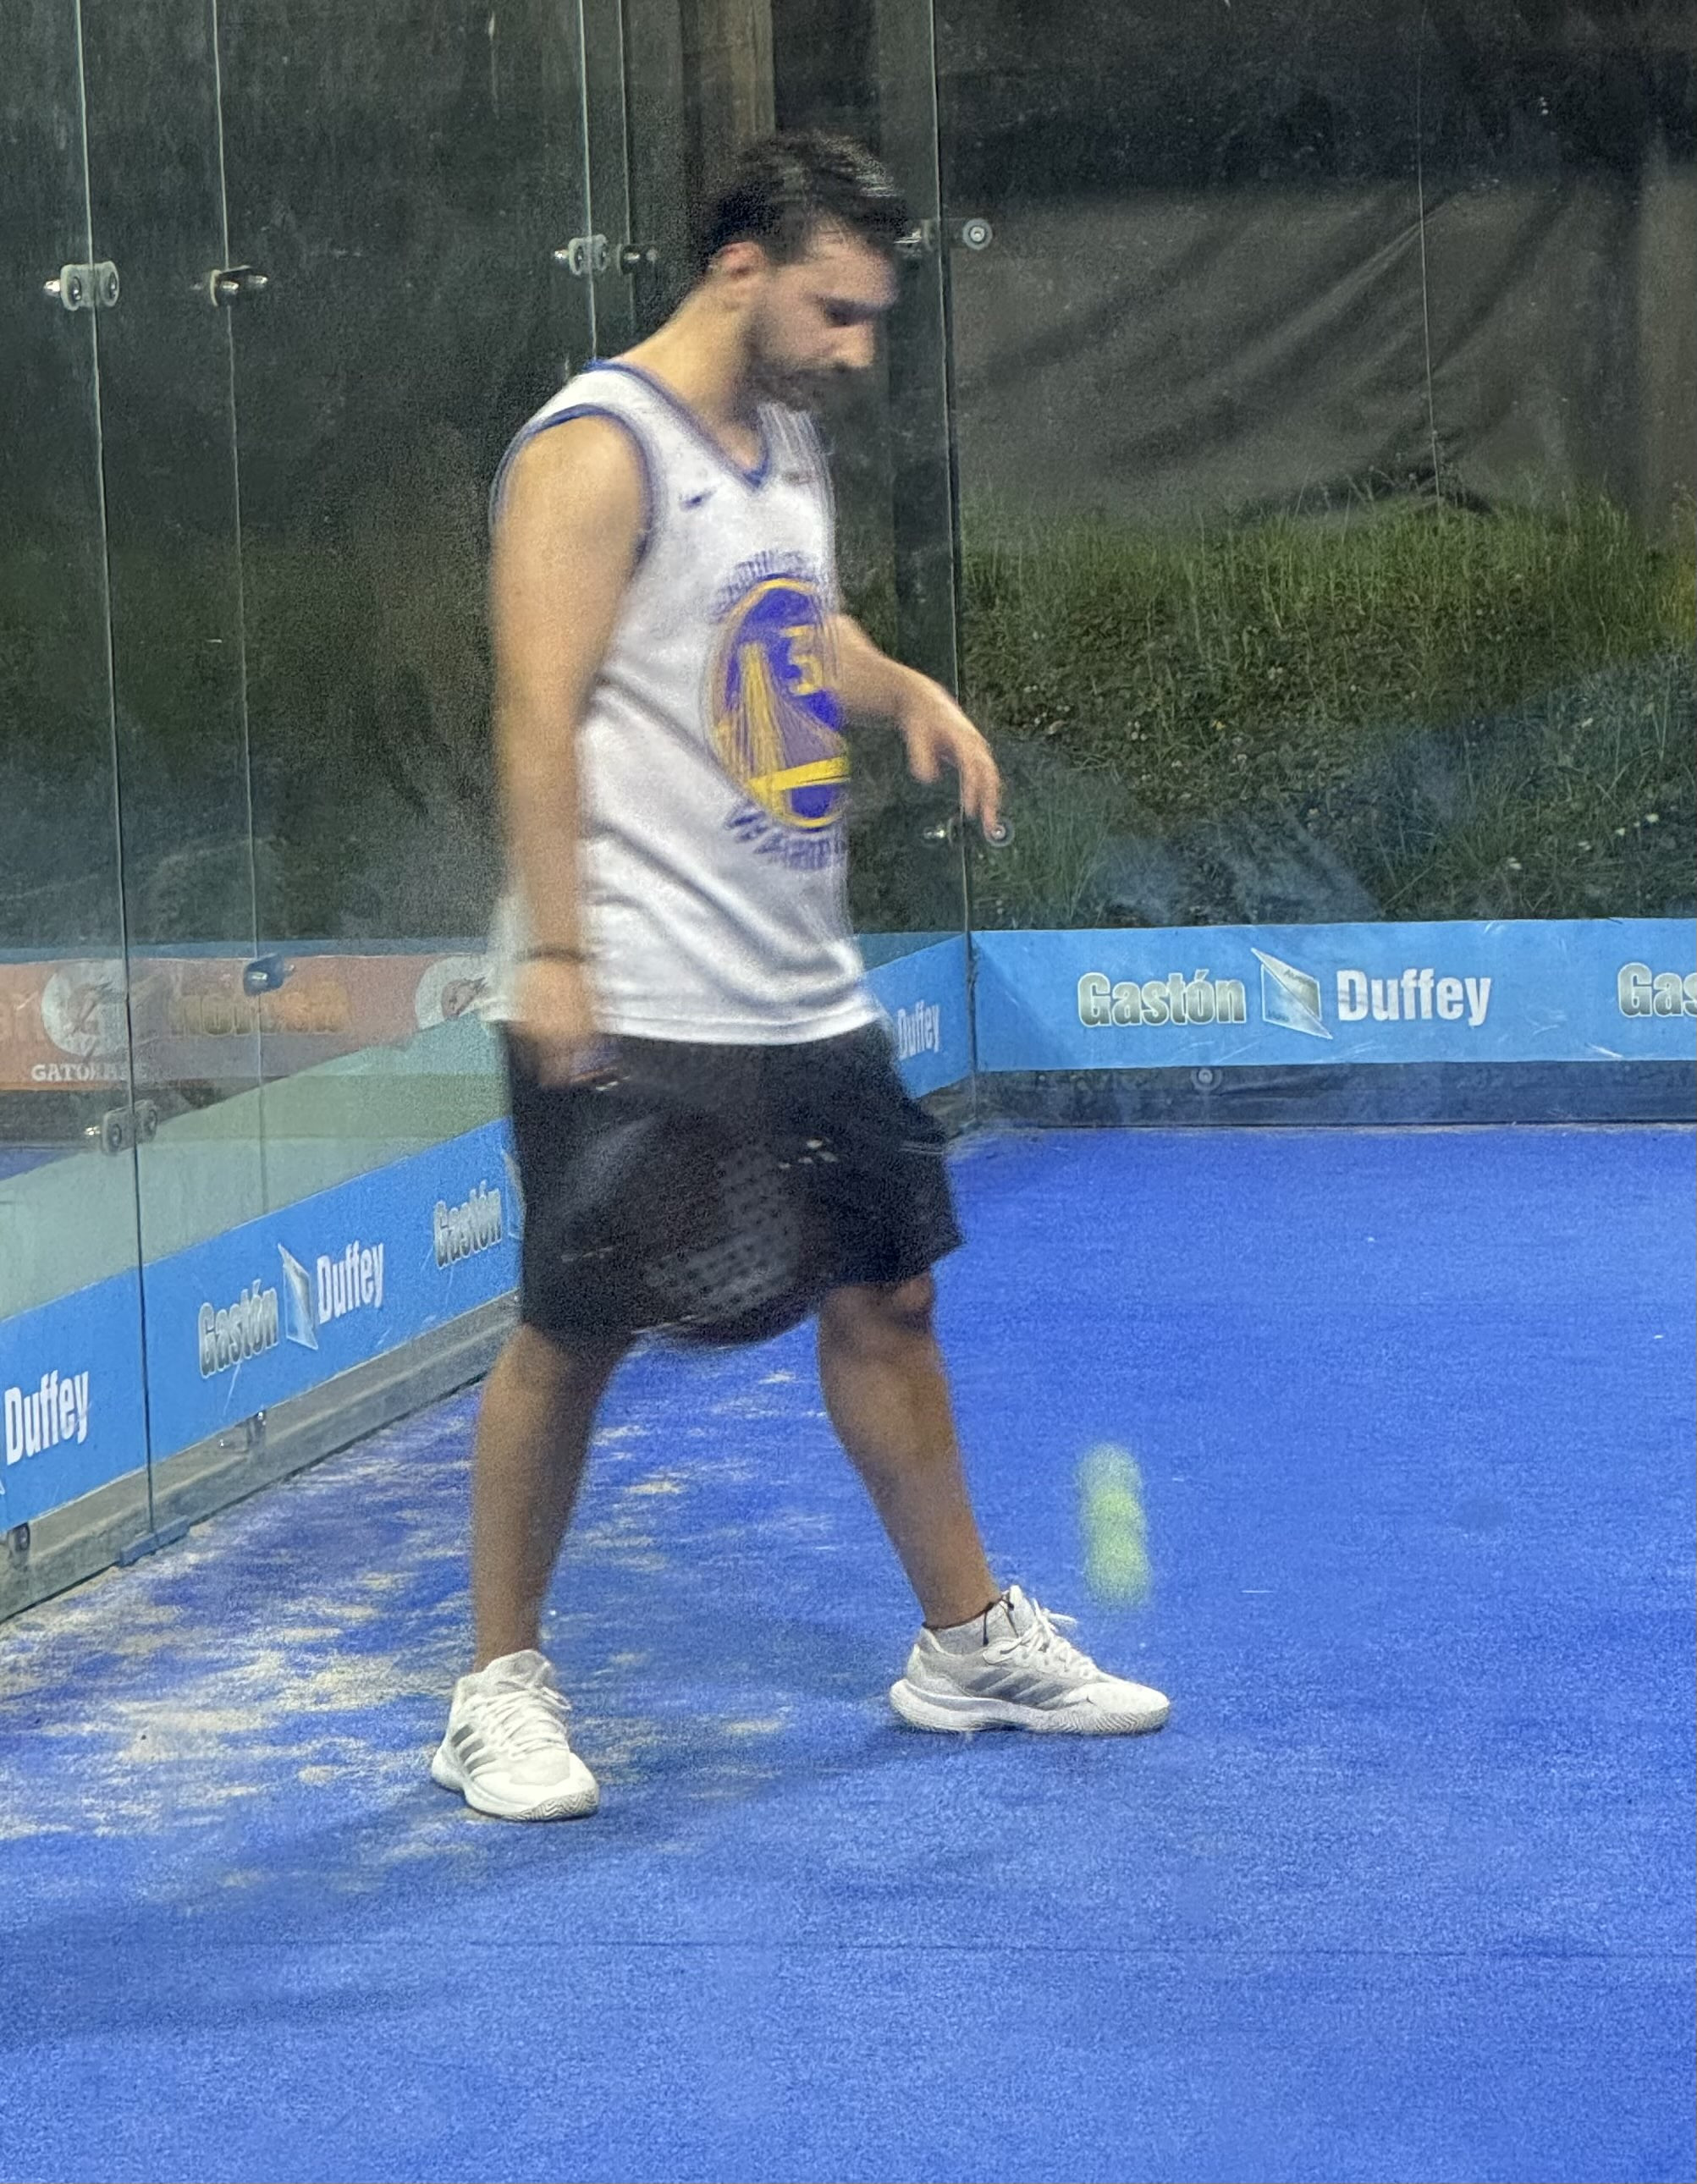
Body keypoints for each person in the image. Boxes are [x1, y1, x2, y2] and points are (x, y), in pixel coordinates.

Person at [433, 134, 1171, 1821]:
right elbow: (535, 707)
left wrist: (901, 686)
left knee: (889, 1297)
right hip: (635, 982)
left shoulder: (781, 447)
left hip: (799, 985)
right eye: (835, 311)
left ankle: (963, 1645)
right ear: (740, 267)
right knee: (573, 1330)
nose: (854, 347)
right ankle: (496, 1689)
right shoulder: (592, 448)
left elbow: (776, 630)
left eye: (869, 319)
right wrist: (559, 953)